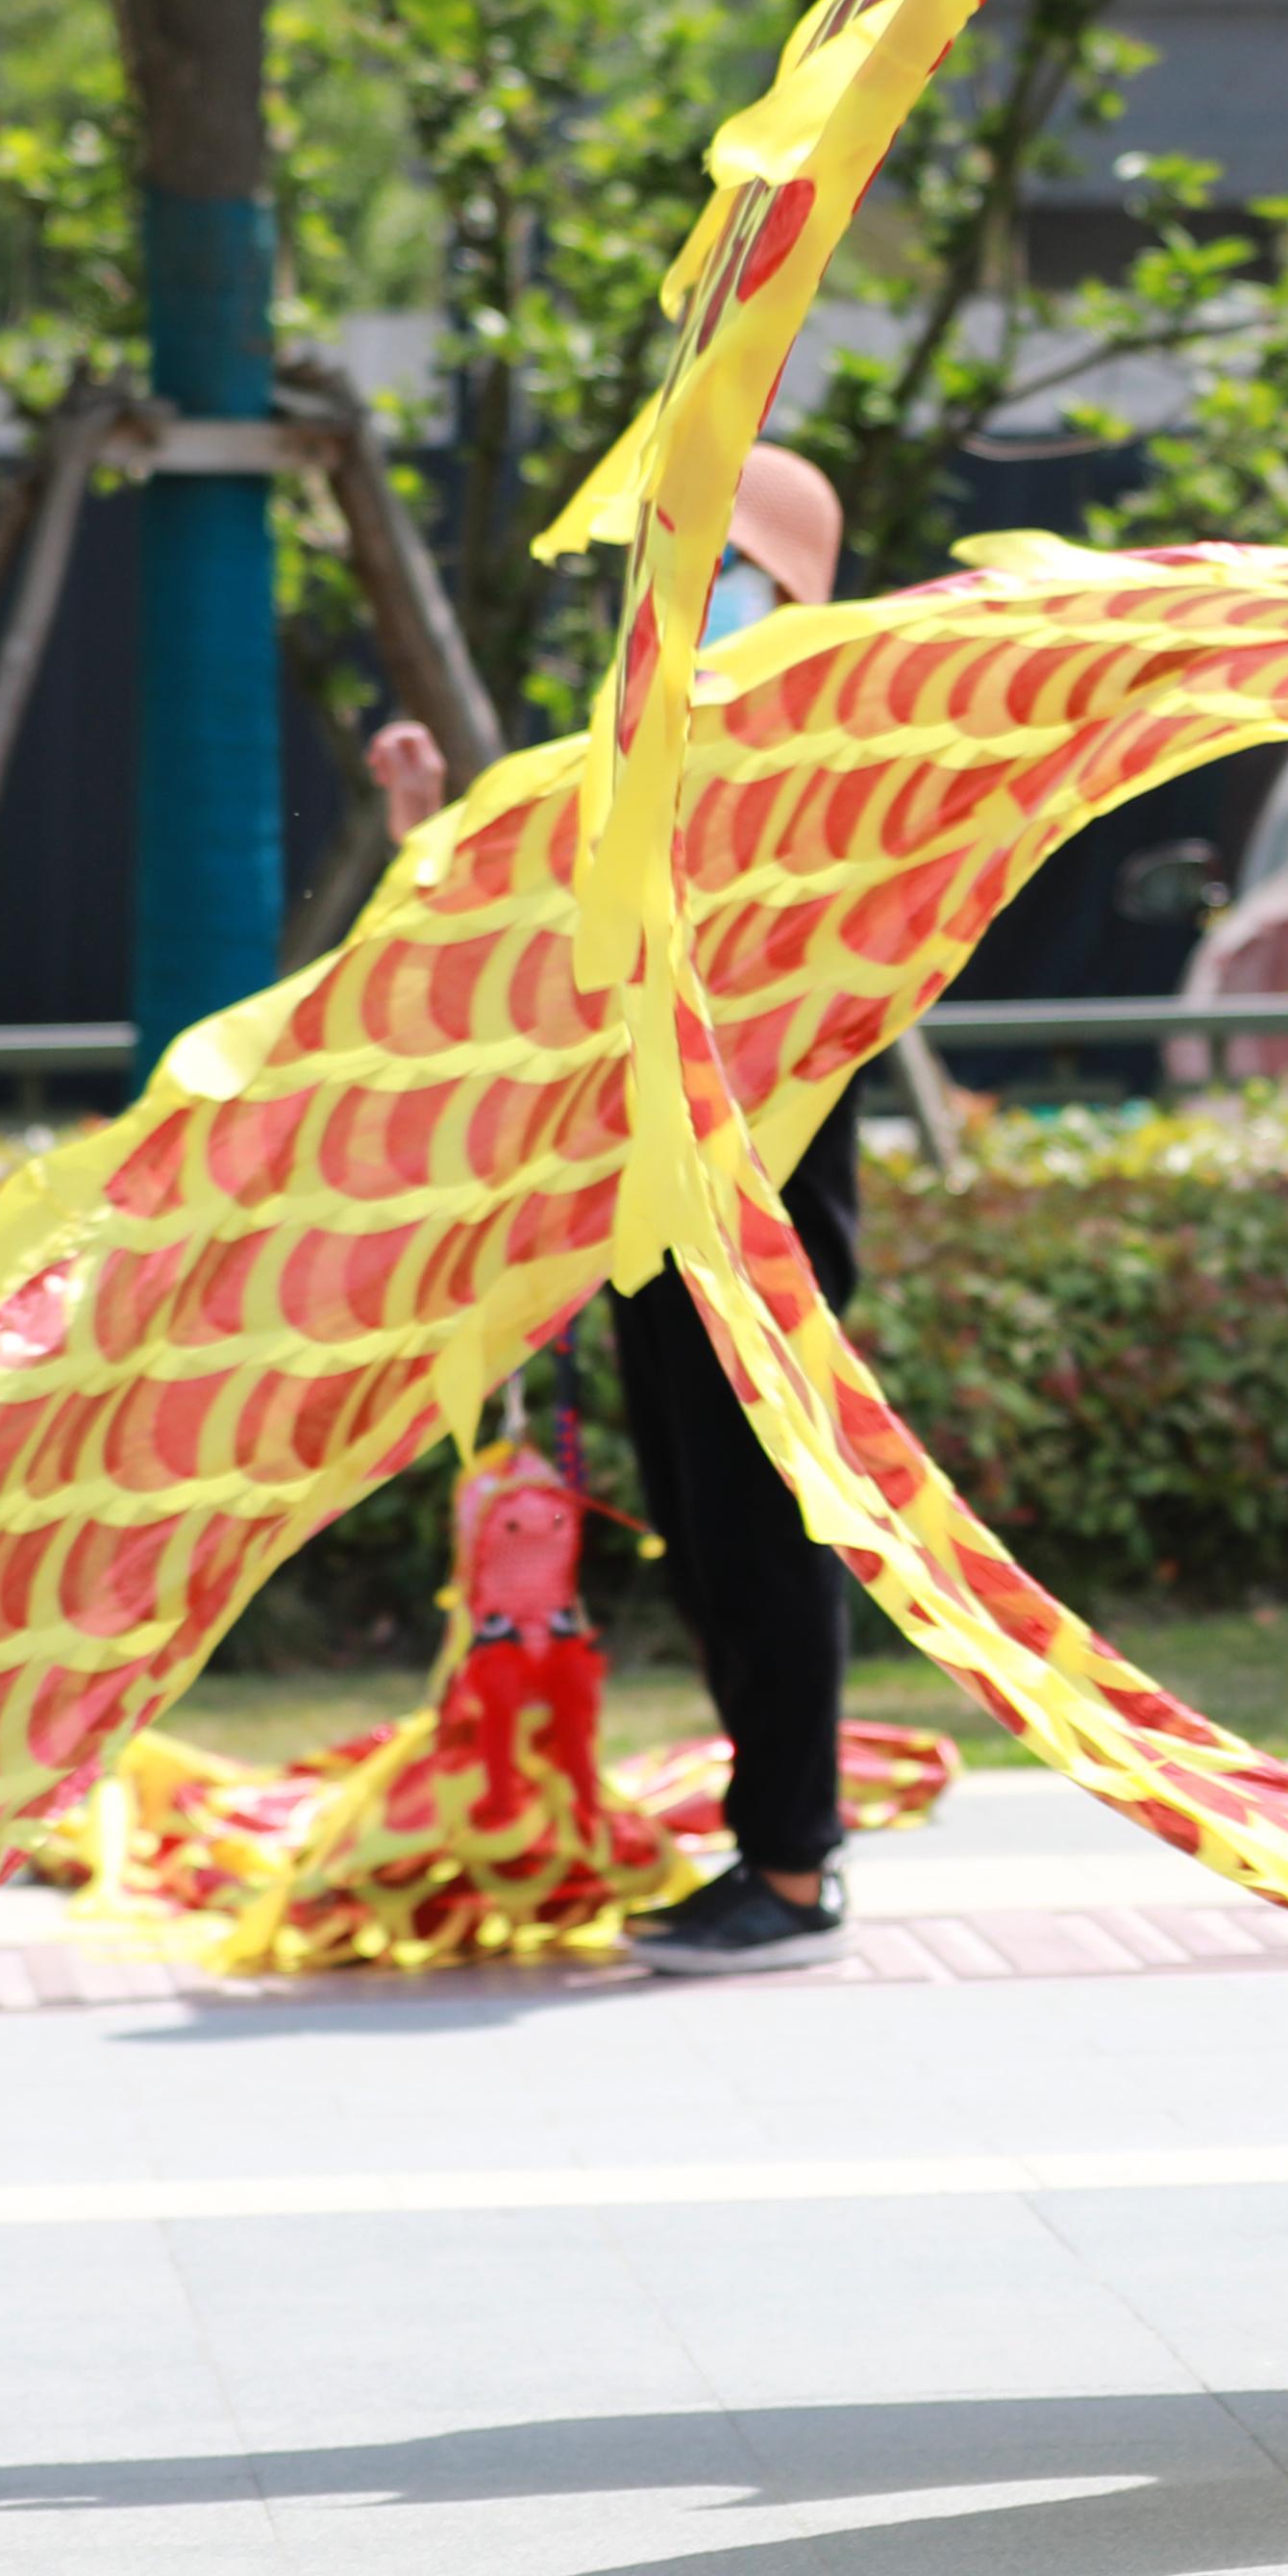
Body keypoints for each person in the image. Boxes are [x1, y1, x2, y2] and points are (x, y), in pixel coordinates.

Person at [370, 439, 870, 1978]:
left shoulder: (819, 751)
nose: (683, 584)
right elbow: (549, 939)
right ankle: (767, 1844)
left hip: (754, 1205)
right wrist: (428, 829)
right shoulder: (654, 749)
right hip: (645, 1199)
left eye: (715, 556)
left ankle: (791, 1869)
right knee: (706, 1521)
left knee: (761, 1519)